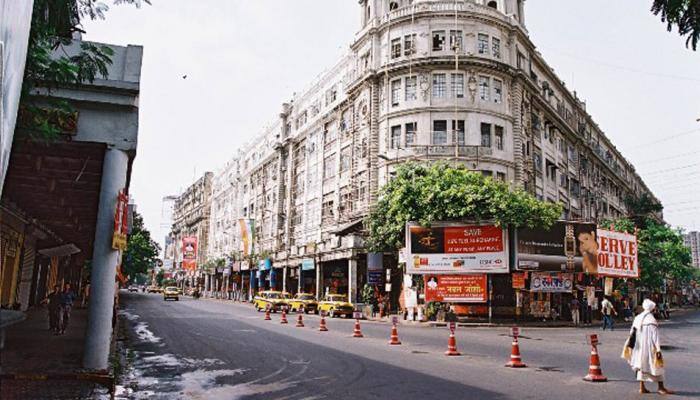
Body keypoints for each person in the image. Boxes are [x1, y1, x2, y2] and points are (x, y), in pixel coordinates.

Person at [627, 299, 674, 394]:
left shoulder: (638, 318)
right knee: (657, 365)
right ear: (652, 309)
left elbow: (632, 333)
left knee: (641, 365)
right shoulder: (651, 320)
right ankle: (661, 388)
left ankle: (642, 387)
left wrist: (631, 347)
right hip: (650, 347)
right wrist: (658, 349)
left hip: (639, 346)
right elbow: (655, 336)